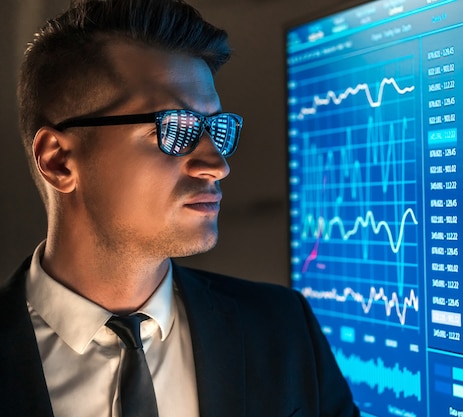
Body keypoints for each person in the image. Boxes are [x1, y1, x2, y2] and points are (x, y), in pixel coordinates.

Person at [1, 0, 359, 416]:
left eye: (216, 129)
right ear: (59, 160)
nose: (218, 165)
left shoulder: (284, 330)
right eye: (176, 128)